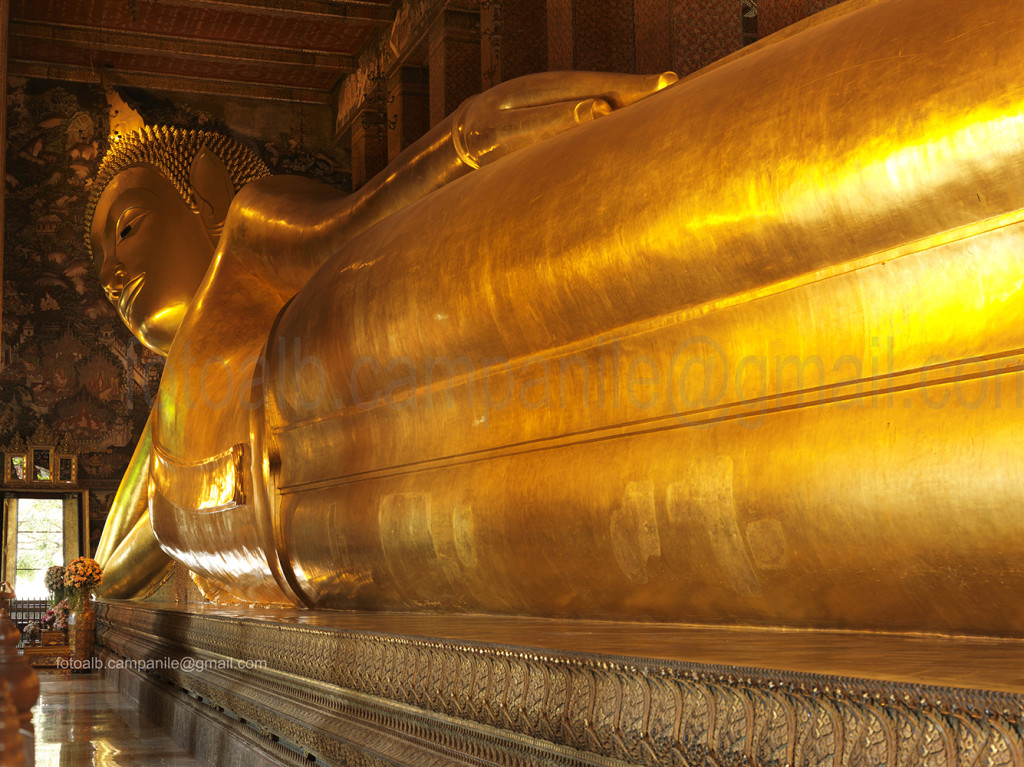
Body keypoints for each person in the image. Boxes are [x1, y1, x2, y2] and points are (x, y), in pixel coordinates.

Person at [95, 0, 1024, 637]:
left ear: (207, 188)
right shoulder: (164, 428)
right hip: (355, 530)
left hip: (356, 334)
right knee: (716, 497)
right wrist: (91, 582)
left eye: (126, 229)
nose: (113, 273)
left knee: (693, 221)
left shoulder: (257, 238)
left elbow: (363, 213)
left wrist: (474, 134)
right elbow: (139, 552)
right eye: (100, 268)